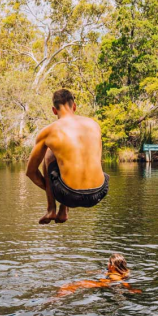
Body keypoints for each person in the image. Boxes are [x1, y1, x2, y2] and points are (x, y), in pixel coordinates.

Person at [26, 89, 109, 224]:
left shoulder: (49, 131)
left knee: (49, 153)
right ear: (74, 106)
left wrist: (50, 189)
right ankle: (63, 211)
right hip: (100, 192)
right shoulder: (94, 125)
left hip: (69, 195)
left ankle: (51, 208)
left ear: (54, 110)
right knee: (72, 155)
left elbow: (30, 172)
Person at [56, 253, 141, 297]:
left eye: (109, 262)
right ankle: (60, 295)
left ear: (113, 266)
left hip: (100, 284)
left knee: (73, 285)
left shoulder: (114, 276)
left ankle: (57, 298)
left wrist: (131, 289)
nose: (107, 263)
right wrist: (92, 272)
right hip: (104, 282)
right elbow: (106, 272)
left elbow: (122, 282)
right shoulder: (122, 272)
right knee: (71, 285)